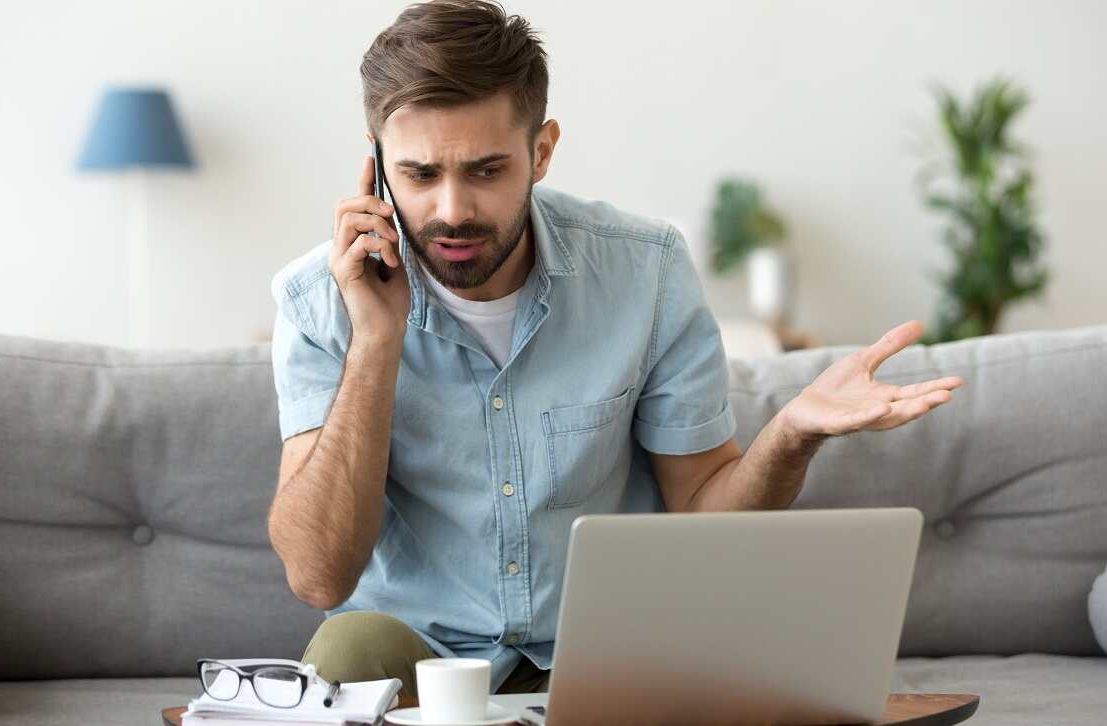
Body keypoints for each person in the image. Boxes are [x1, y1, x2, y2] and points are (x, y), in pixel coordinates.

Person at [265, 0, 965, 708]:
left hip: (606, 649)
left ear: (541, 151)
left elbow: (701, 512)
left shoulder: (645, 271)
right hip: (418, 655)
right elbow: (320, 578)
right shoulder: (318, 301)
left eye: (485, 171)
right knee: (346, 648)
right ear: (377, 160)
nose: (452, 210)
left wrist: (789, 437)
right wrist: (377, 339)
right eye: (418, 175)